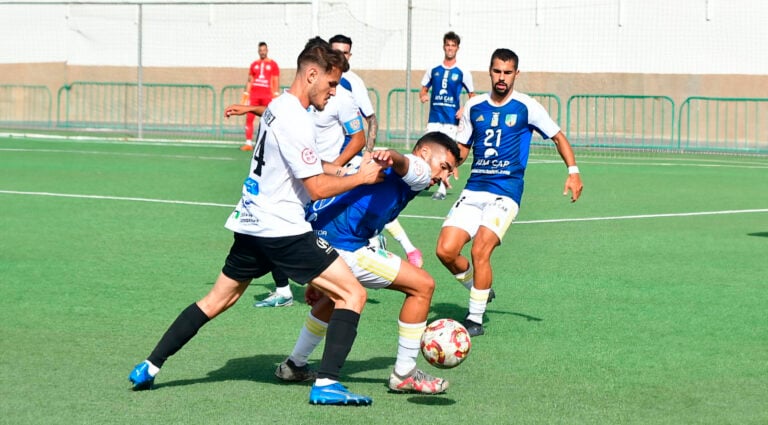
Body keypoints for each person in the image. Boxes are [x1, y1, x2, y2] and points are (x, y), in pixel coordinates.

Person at [129, 37, 389, 407]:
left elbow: (308, 167)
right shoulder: (297, 118)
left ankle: (150, 365)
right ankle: (327, 383)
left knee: (216, 300)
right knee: (352, 293)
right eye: (331, 83)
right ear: (311, 74)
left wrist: (347, 169)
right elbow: (315, 188)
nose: (334, 92)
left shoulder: (279, 106)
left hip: (251, 222)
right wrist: (361, 178)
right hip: (282, 228)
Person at [274, 132, 461, 395]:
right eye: (445, 168)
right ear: (425, 153)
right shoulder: (417, 168)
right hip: (345, 246)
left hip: (316, 239)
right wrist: (391, 155)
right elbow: (405, 162)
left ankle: (294, 365)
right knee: (423, 285)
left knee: (333, 298)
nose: (444, 177)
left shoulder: (378, 168)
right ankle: (405, 373)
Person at [435, 48, 584, 337]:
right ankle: (480, 287)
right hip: (474, 188)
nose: (501, 78)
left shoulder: (527, 107)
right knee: (445, 250)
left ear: (516, 74)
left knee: (480, 249)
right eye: (497, 71)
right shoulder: (474, 107)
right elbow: (464, 146)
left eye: (507, 72)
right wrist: (449, 164)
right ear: (489, 72)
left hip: (506, 191)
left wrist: (573, 171)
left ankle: (475, 319)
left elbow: (557, 136)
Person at [226, 84, 367, 308]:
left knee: (326, 234)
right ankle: (285, 290)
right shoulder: (305, 98)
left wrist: (335, 168)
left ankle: (364, 250)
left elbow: (359, 138)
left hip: (321, 175)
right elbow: (277, 115)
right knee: (281, 227)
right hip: (305, 172)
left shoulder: (344, 98)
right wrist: (251, 108)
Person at [330, 33, 424, 268]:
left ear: (350, 55)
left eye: (345, 52)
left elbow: (371, 119)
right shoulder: (319, 78)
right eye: (336, 51)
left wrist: (366, 156)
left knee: (360, 202)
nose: (341, 56)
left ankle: (378, 242)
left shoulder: (352, 82)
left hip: (345, 157)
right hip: (321, 157)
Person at [419, 31, 475, 201]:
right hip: (434, 119)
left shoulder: (463, 71)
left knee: (447, 155)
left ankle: (442, 188)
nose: (450, 48)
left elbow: (472, 95)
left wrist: (464, 108)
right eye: (448, 45)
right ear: (444, 46)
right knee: (427, 152)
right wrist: (423, 96)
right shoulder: (433, 69)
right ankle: (423, 181)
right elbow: (423, 89)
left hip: (451, 121)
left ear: (457, 48)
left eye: (453, 46)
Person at [240, 41, 280, 151]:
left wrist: (275, 95)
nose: (262, 52)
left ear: (267, 50)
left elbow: (276, 80)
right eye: (260, 50)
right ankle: (248, 143)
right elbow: (250, 80)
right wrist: (246, 94)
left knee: (270, 119)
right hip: (254, 96)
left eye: (264, 50)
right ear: (258, 51)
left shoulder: (273, 64)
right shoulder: (254, 64)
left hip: (267, 96)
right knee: (249, 118)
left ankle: (272, 143)